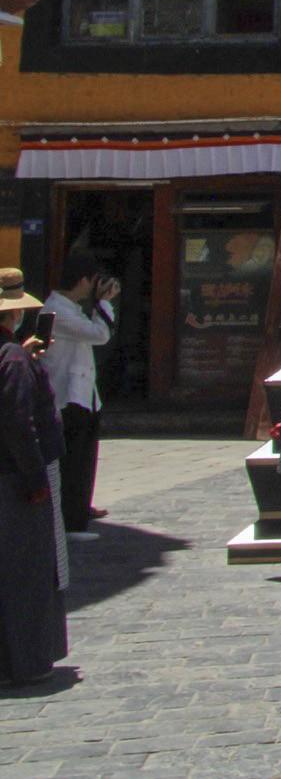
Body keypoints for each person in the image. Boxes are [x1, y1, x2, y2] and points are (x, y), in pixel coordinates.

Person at [0, 269, 68, 684]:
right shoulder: (12, 359)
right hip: (13, 479)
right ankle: (24, 660)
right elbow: (17, 421)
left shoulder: (13, 355)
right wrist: (35, 479)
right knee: (23, 573)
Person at [38, 254, 115, 542]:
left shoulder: (69, 307)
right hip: (68, 398)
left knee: (83, 460)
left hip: (83, 395)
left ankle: (79, 510)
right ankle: (71, 523)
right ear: (83, 281)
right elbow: (100, 334)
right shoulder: (58, 311)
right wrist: (104, 302)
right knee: (73, 464)